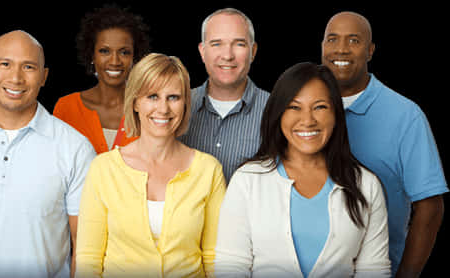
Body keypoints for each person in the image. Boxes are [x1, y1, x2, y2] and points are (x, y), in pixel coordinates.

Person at [0, 30, 96, 278]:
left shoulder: (75, 148)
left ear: (44, 76)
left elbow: (84, 241)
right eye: (5, 64)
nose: (16, 77)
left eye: (29, 67)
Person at [214, 62, 391, 277]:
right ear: (278, 114)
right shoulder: (248, 180)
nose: (307, 120)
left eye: (320, 107)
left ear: (336, 114)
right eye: (294, 107)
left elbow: (373, 270)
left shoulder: (366, 185)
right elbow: (231, 266)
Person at [75, 53, 226, 277]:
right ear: (135, 102)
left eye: (173, 97)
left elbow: (215, 258)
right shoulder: (103, 169)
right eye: (152, 96)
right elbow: (88, 259)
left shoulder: (208, 170)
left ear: (185, 103)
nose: (163, 109)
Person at [321, 12, 447, 277]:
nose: (341, 49)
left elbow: (430, 206)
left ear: (370, 50)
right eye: (332, 39)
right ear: (323, 47)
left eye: (353, 40)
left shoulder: (405, 116)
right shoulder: (301, 110)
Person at [179, 8, 269, 182]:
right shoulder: (176, 108)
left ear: (253, 51)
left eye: (239, 44)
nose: (227, 55)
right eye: (216, 44)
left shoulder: (277, 111)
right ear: (202, 51)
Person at [53, 5, 150, 154]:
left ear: (134, 57)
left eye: (124, 52)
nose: (114, 61)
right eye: (105, 51)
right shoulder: (67, 108)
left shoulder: (149, 108)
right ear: (92, 55)